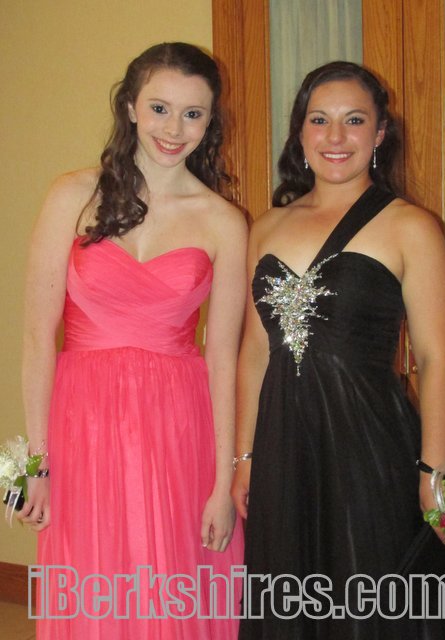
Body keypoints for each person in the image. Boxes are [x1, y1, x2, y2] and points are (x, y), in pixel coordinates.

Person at [231, 61, 445, 639]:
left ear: (380, 132)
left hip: (370, 445)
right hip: (283, 446)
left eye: (354, 120)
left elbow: (436, 360)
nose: (335, 137)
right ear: (300, 132)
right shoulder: (265, 227)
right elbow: (254, 353)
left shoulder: (412, 227)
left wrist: (433, 472)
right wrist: (244, 457)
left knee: (371, 596)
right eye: (319, 120)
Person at [18, 42, 246, 639]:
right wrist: (35, 465)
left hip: (179, 427)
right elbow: (38, 338)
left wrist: (222, 483)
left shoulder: (224, 221)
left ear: (210, 121)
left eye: (193, 114)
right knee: (91, 583)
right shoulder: (71, 194)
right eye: (159, 108)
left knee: (172, 584)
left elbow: (224, 359)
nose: (174, 129)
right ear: (129, 107)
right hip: (82, 426)